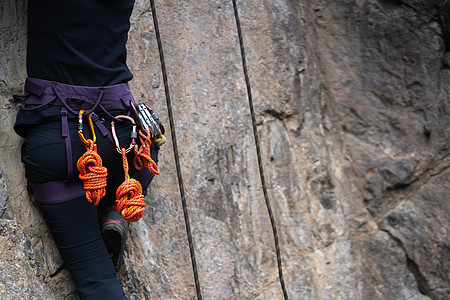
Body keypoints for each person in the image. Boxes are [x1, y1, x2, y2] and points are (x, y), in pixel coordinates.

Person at [12, 1, 162, 299]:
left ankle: (108, 215)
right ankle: (115, 211)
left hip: (61, 144)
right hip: (124, 137)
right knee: (148, 146)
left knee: (96, 278)